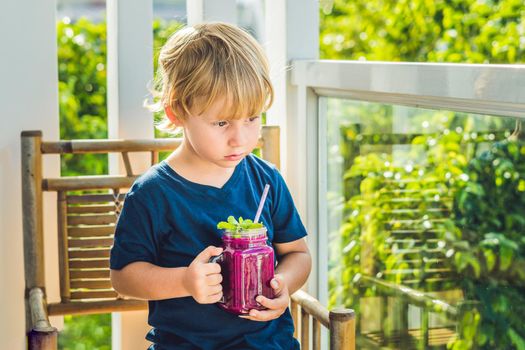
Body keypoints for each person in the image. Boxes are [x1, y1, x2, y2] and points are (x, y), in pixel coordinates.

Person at [110, 22, 311, 350]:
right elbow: (124, 277)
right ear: (177, 112)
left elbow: (298, 254)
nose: (241, 138)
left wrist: (283, 284)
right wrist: (184, 281)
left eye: (252, 118)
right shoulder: (152, 194)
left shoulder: (266, 181)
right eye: (221, 123)